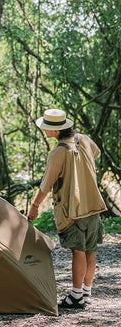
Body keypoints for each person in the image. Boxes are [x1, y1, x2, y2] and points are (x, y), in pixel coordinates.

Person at [28, 109, 106, 309]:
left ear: (55, 131)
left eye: (46, 127)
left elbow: (46, 185)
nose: (44, 130)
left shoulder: (58, 152)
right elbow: (95, 155)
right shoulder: (84, 139)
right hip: (94, 206)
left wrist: (35, 206)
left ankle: (76, 295)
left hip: (73, 209)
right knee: (90, 250)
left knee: (78, 251)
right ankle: (86, 293)